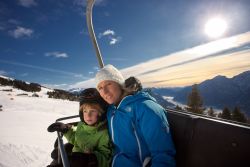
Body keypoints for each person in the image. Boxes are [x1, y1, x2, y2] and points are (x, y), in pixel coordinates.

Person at [95, 64, 176, 167]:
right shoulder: (111, 111)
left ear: (120, 84)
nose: (104, 91)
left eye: (108, 84)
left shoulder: (146, 108)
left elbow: (163, 155)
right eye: (100, 88)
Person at [47, 88, 112, 167]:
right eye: (85, 111)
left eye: (93, 111)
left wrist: (91, 159)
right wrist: (66, 130)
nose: (88, 115)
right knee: (55, 162)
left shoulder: (103, 133)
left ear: (100, 113)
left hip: (86, 163)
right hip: (73, 157)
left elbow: (106, 157)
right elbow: (77, 140)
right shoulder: (82, 125)